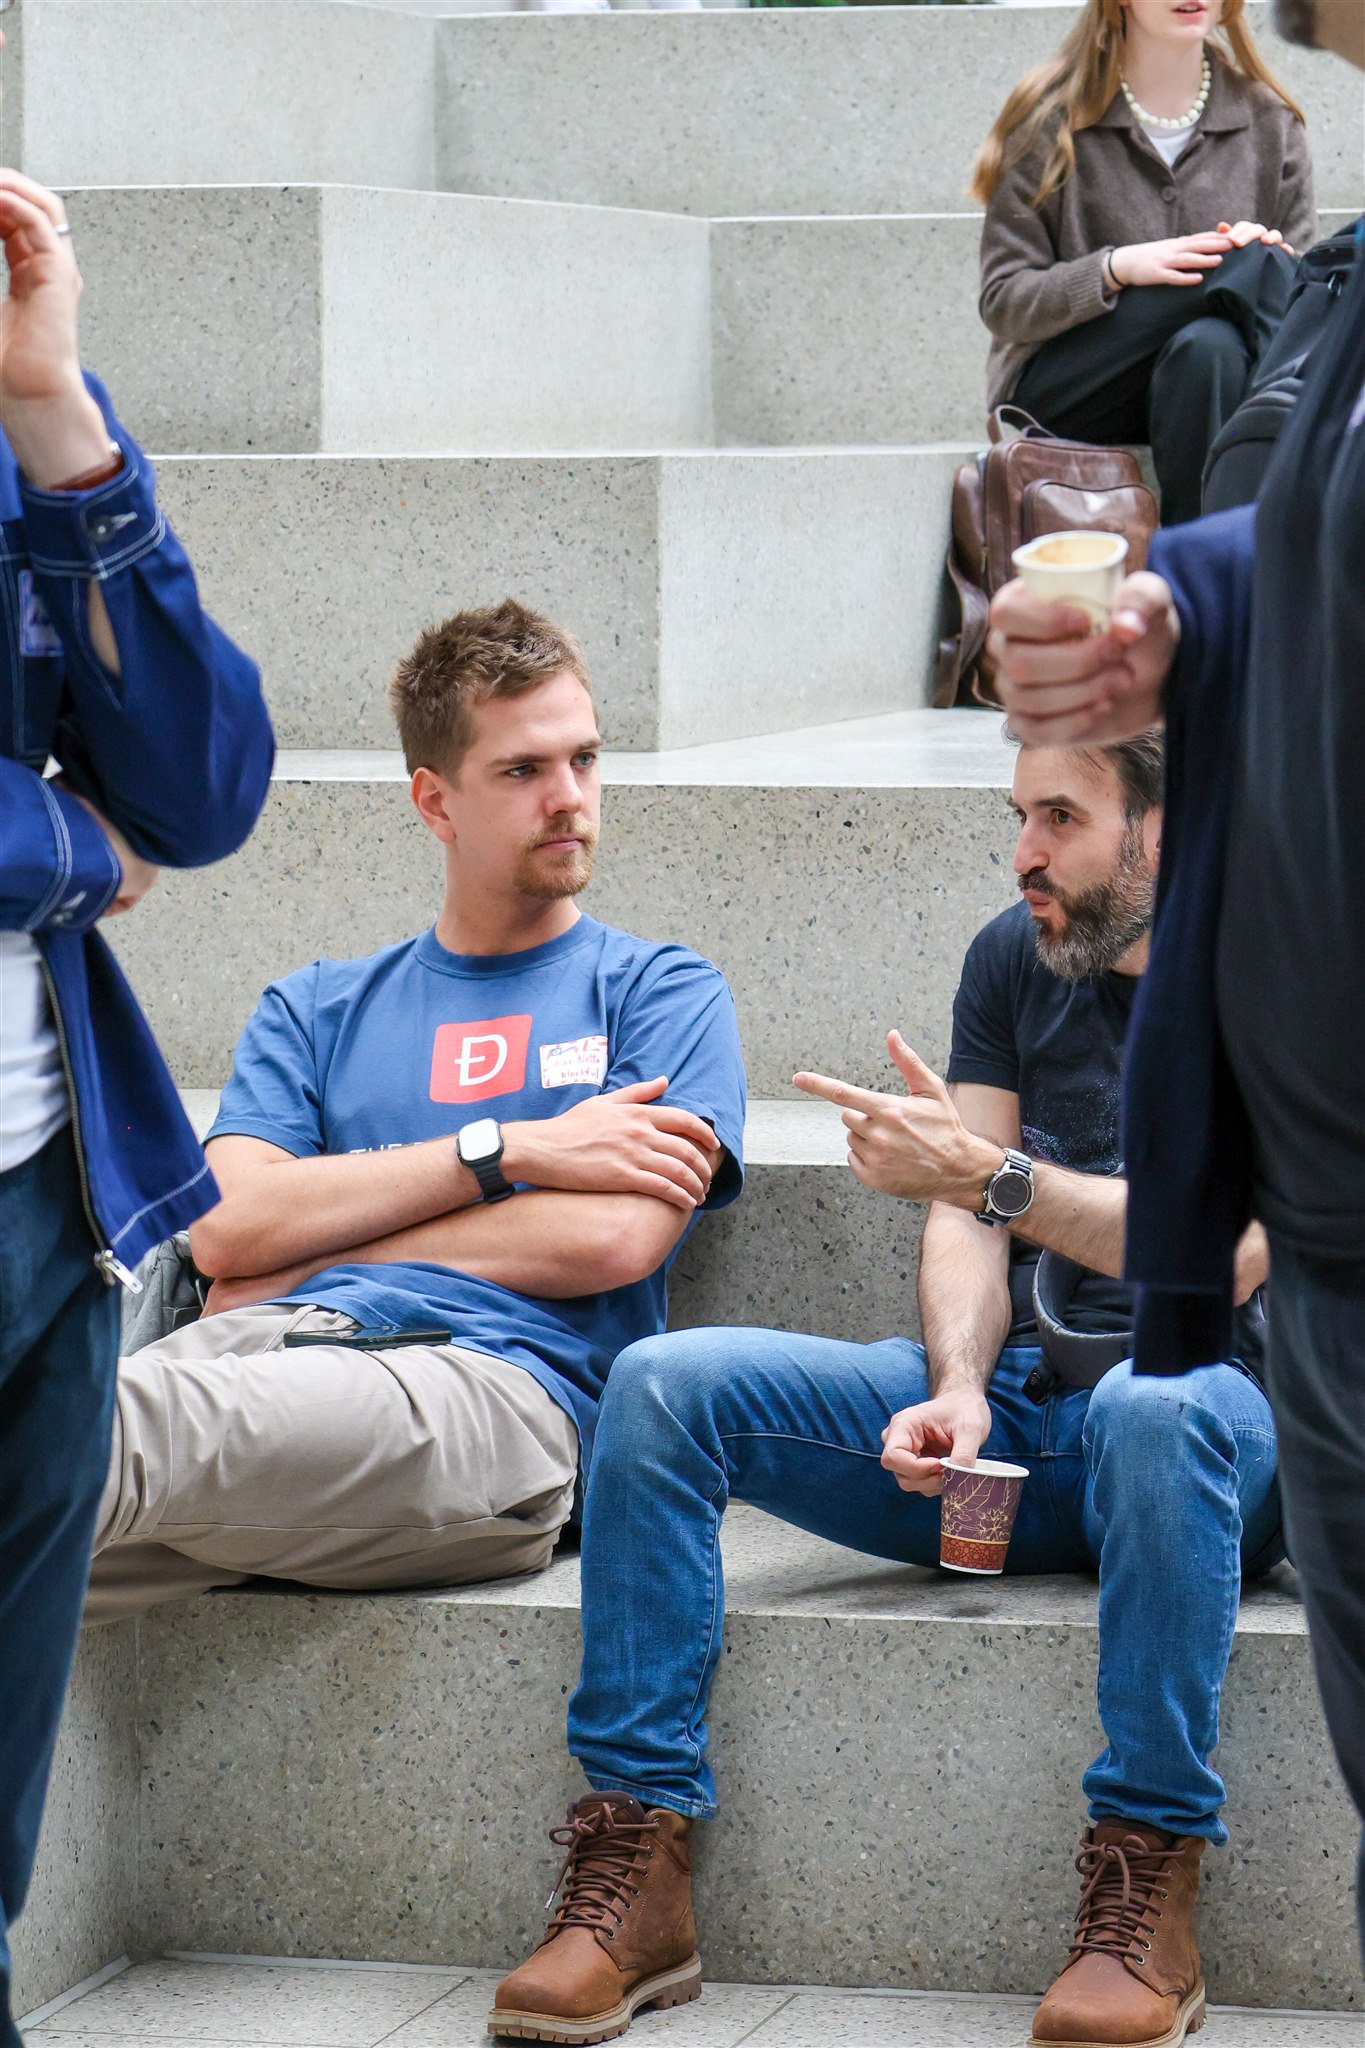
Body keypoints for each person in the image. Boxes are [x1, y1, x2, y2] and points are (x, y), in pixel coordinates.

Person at [490, 733, 1277, 2048]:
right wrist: (960, 1384)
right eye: (1017, 812)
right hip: (1023, 1420)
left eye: (1061, 817)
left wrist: (990, 1181)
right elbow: (962, 1216)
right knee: (664, 1388)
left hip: (1215, 1432)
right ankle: (639, 1867)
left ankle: (1149, 1878)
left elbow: (1223, 1251)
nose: (1023, 850)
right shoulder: (1012, 955)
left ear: (1164, 823)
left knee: (1157, 1405)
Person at [986, 0, 1365, 1970]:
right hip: (1323, 1214)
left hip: (1269, 1267)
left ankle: (1149, 1875)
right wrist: (1170, 608)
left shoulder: (1277, 136)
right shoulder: (1345, 288)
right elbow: (1262, 522)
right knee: (1222, 334)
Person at [84, 601, 746, 1624]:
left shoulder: (656, 989)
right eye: (523, 771)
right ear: (435, 803)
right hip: (258, 1356)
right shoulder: (315, 1006)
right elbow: (226, 1227)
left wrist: (322, 1246)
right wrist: (510, 1148)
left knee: (69, 1430)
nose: (569, 797)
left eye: (584, 759)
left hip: (490, 1393)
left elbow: (616, 1232)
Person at [0, 160, 274, 2045]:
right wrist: (63, 846)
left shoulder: (23, 434)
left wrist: (56, 413)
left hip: (47, 1193)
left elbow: (203, 787)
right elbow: (111, 842)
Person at [973, 0, 1317, 525]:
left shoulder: (1270, 123)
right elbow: (1003, 301)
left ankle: (1198, 578)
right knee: (1250, 262)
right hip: (1070, 388)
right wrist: (1115, 269)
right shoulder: (1050, 117)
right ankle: (1313, 424)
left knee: (1210, 348)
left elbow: (1298, 284)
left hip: (1213, 385)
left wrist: (1272, 256)